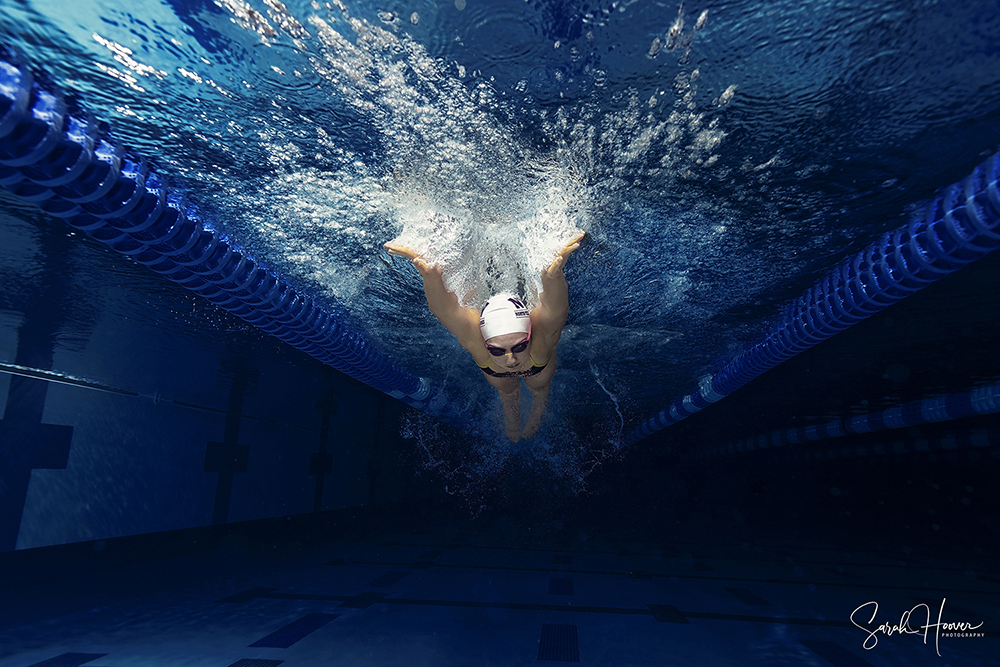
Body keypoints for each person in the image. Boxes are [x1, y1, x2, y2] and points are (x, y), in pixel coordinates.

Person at [385, 232, 584, 441]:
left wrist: (553, 276)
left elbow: (555, 310)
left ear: (530, 333)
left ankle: (537, 411)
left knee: (539, 387)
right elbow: (447, 311)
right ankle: (511, 414)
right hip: (509, 376)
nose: (511, 360)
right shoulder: (475, 338)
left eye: (519, 346)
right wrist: (430, 276)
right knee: (507, 391)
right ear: (485, 341)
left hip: (536, 370)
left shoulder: (542, 336)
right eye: (497, 350)